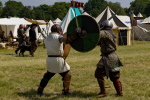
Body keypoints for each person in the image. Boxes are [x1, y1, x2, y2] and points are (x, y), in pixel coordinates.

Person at [37, 24, 81, 96]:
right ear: (59, 31)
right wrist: (75, 34)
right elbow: (67, 40)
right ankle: (66, 91)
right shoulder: (59, 37)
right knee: (67, 74)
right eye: (61, 31)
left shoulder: (47, 38)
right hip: (58, 60)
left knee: (48, 75)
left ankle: (40, 89)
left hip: (49, 59)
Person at [95, 20, 123, 97]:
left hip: (108, 57)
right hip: (114, 56)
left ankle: (103, 92)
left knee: (98, 74)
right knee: (115, 76)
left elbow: (97, 34)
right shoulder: (112, 33)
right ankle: (119, 93)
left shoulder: (105, 32)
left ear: (104, 26)